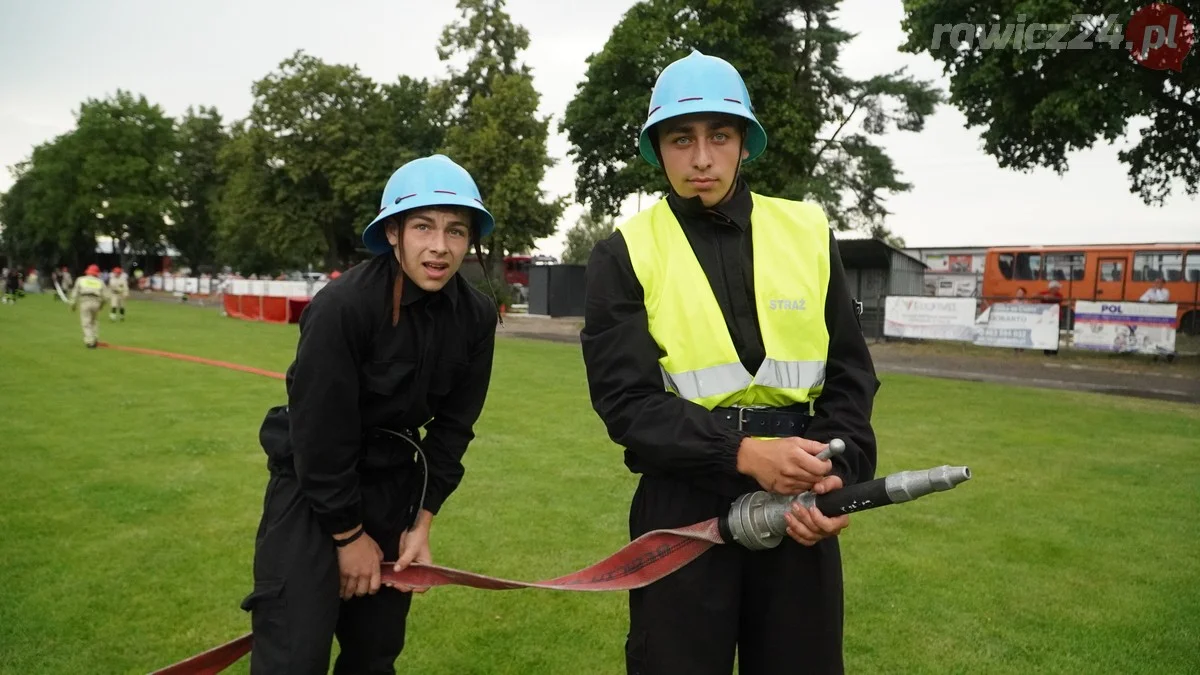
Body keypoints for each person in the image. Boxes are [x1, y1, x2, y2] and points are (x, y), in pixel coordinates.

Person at [579, 50, 880, 675]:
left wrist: (839, 482)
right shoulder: (623, 252)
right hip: (684, 501)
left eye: (719, 135)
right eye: (680, 139)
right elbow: (626, 403)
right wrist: (741, 454)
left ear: (744, 142)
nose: (701, 158)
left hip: (801, 494)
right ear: (657, 149)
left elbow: (851, 375)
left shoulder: (805, 231)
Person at [242, 154, 499, 675]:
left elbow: (453, 431)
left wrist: (421, 522)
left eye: (456, 231)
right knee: (292, 659)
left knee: (374, 655)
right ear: (393, 234)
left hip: (392, 491)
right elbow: (318, 432)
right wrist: (346, 536)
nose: (439, 246)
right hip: (310, 494)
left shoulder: (475, 316)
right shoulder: (342, 307)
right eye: (423, 226)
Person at [69, 264, 109, 348]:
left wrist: (73, 304)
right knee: (94, 321)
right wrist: (101, 305)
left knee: (86, 322)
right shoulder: (100, 282)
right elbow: (106, 297)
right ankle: (95, 338)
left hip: (85, 301)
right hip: (96, 302)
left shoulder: (81, 279)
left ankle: (90, 342)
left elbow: (75, 292)